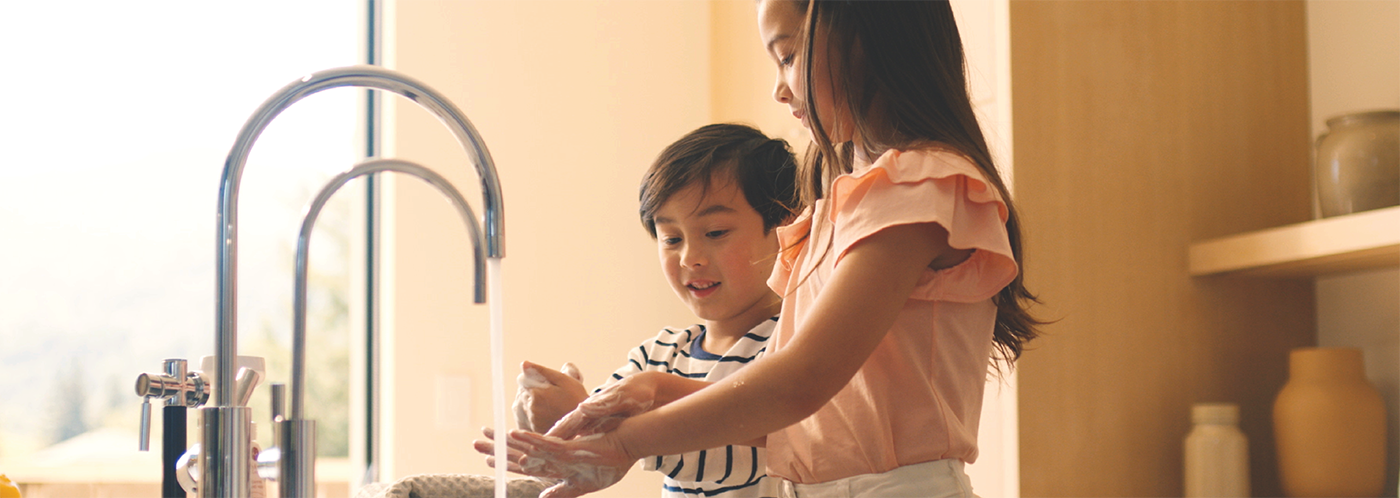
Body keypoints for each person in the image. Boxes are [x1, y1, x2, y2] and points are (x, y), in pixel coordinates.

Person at [477, 1, 1043, 497]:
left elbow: (798, 383)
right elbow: (799, 416)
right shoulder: (850, 199)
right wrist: (652, 390)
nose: (779, 87)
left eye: (789, 55)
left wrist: (625, 444)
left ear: (863, 35)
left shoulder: (918, 186)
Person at [508, 123, 799, 498]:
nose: (690, 258)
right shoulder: (657, 355)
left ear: (786, 227)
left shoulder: (791, 343)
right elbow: (593, 438)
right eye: (672, 239)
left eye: (715, 233)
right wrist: (560, 417)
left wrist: (624, 434)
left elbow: (724, 450)